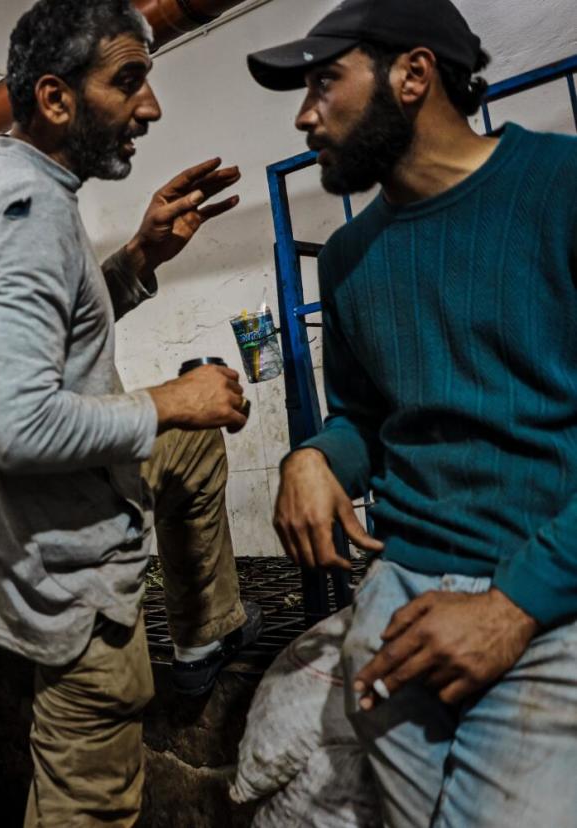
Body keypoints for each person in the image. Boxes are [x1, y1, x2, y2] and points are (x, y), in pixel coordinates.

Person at [0, 1, 262, 824]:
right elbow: (21, 424)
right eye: (129, 82)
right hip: (65, 568)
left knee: (187, 452)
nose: (150, 107)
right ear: (55, 98)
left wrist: (140, 257)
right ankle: (191, 639)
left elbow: (51, 330)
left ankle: (203, 635)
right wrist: (171, 398)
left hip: (24, 534)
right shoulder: (30, 212)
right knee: (90, 802)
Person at [251, 0, 577, 824]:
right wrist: (315, 456)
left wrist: (514, 607)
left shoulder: (563, 191)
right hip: (398, 613)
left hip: (546, 606)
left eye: (325, 81)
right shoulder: (352, 257)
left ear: (413, 74)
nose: (303, 114)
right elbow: (366, 418)